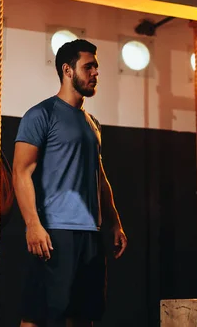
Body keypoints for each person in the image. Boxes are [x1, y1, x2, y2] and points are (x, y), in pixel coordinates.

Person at [13, 39, 127, 326]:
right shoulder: (41, 114)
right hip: (55, 232)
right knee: (38, 316)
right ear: (67, 70)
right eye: (88, 67)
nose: (95, 73)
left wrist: (114, 222)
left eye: (96, 67)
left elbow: (99, 177)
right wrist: (33, 225)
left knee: (84, 316)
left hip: (91, 233)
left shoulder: (93, 124)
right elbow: (21, 171)